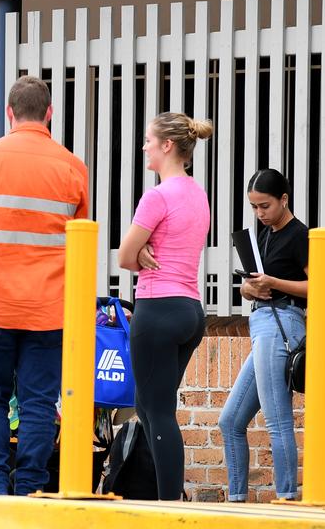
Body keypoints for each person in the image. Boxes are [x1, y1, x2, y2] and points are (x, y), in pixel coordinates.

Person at [0, 75, 89, 496]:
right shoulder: (73, 167)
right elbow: (79, 235)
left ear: (9, 113)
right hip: (48, 306)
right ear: (49, 113)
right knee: (37, 402)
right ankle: (32, 487)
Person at [117, 112, 214, 501]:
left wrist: (139, 251)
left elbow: (124, 257)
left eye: (148, 141)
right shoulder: (197, 193)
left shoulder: (157, 196)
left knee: (158, 411)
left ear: (167, 146)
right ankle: (162, 491)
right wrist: (143, 250)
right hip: (191, 310)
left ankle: (169, 504)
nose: (145, 147)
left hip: (158, 308)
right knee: (148, 402)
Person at [218, 169, 308, 502]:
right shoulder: (264, 234)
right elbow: (254, 285)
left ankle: (286, 498)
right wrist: (250, 288)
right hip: (262, 323)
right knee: (229, 421)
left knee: (277, 419)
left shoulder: (300, 235)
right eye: (255, 207)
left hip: (284, 322)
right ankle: (237, 499)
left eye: (265, 206)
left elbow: (318, 287)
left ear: (284, 199)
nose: (260, 213)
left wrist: (273, 283)